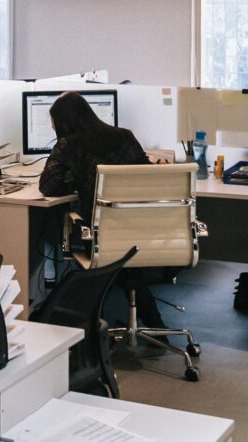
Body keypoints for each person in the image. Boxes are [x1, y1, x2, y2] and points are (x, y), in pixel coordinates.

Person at [38, 91, 169, 330]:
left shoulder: (69, 144)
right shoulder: (125, 137)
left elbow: (48, 186)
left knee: (105, 250)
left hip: (100, 237)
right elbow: (145, 174)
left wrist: (74, 177)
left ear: (62, 122)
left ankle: (86, 327)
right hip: (139, 232)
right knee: (129, 268)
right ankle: (155, 325)